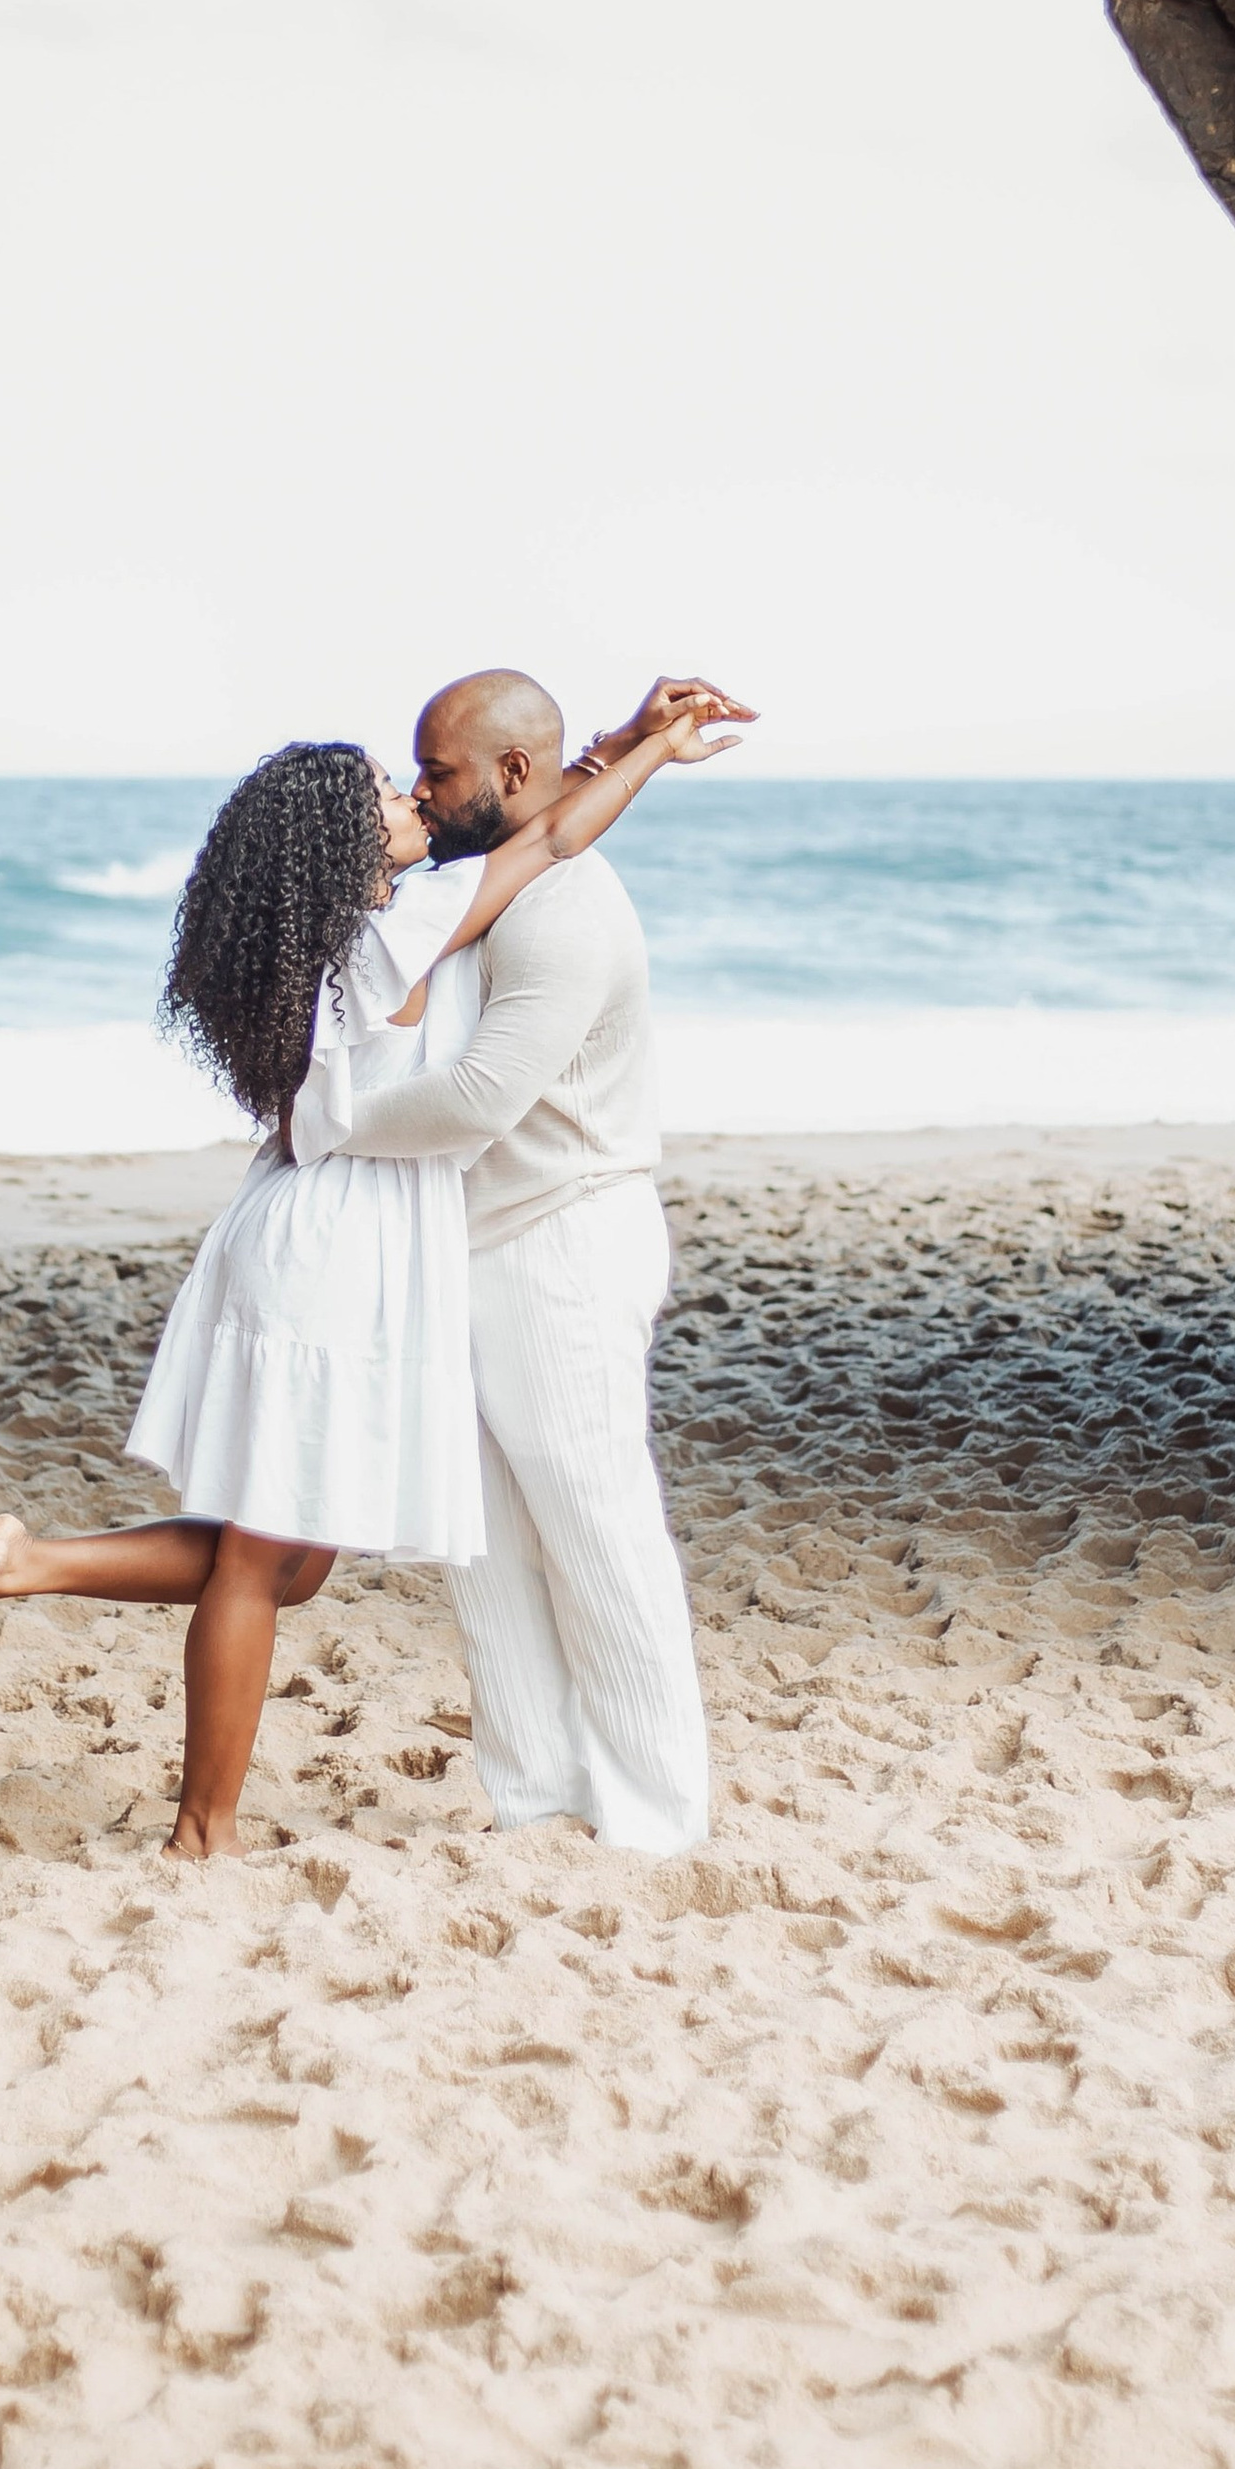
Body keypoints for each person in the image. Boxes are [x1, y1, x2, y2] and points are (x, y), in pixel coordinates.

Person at [0, 706, 726, 1856]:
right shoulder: (396, 935)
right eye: (392, 797)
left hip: (308, 1232)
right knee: (261, 1553)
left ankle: (31, 1560)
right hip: (335, 1243)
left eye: (418, 782)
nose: (414, 802)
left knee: (292, 1562)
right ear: (344, 852)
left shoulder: (314, 945)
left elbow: (528, 821)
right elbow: (542, 842)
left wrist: (619, 743)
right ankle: (203, 1831)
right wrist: (646, 755)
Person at [291, 668, 752, 1857]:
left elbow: (483, 1098)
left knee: (593, 1520)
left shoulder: (566, 909)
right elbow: (552, 809)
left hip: (563, 1239)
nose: (422, 794)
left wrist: (322, 1123)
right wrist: (625, 745)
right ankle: (538, 1797)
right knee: (485, 1538)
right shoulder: (493, 874)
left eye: (436, 772)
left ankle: (656, 1815)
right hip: (470, 1239)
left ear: (503, 772)